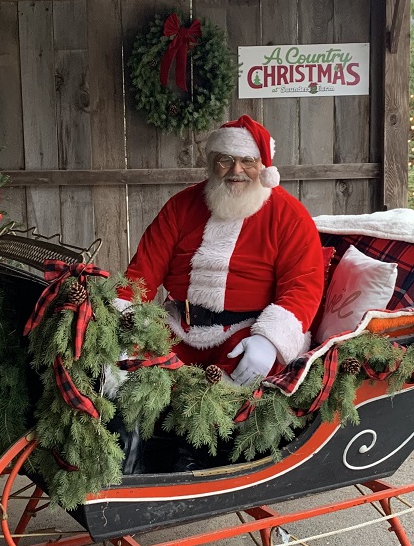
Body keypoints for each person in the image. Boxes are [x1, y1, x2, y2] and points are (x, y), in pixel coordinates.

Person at [116, 115, 325, 388]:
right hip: (178, 327)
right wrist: (121, 319)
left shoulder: (289, 215)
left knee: (228, 401)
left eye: (247, 161)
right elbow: (143, 270)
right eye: (225, 160)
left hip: (246, 333)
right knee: (128, 377)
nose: (235, 170)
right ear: (212, 163)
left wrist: (270, 340)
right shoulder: (181, 207)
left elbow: (303, 286)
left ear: (262, 166)